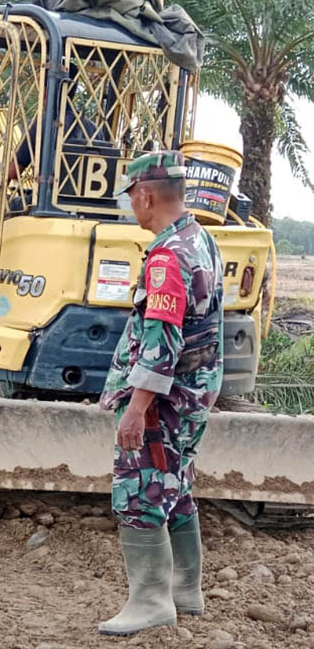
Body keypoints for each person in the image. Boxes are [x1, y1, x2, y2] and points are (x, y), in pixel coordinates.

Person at [97, 151, 223, 636]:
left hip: (163, 405)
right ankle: (185, 591)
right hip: (195, 394)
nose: (131, 206)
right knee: (177, 488)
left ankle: (151, 601)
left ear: (145, 194)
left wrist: (137, 409)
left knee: (140, 492)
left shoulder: (167, 257)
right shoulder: (201, 239)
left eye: (131, 197)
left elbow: (161, 340)